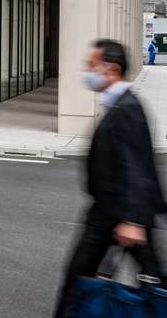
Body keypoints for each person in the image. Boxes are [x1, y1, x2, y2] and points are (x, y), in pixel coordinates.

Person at [53, 39, 166, 317]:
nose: (87, 71)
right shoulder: (120, 105)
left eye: (91, 65)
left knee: (151, 284)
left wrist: (134, 221)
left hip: (119, 214)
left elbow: (136, 165)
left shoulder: (127, 108)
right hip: (111, 213)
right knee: (151, 279)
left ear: (111, 69)